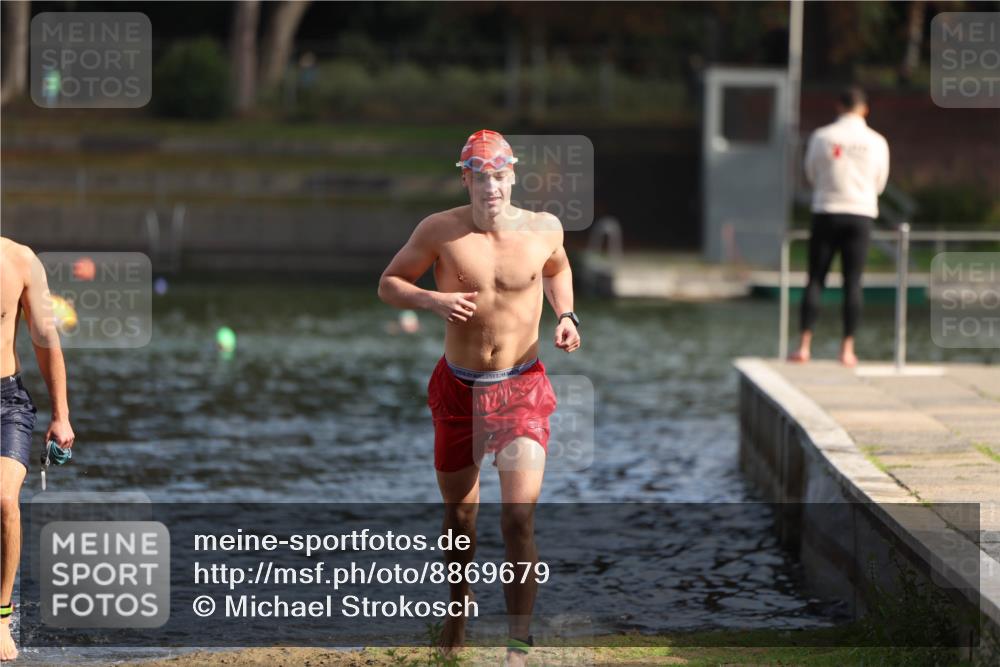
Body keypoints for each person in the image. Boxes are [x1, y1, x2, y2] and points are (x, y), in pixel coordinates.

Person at [378, 129, 580, 665]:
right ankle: (459, 610)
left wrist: (566, 315)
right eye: (479, 177)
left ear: (512, 176)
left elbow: (558, 269)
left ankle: (518, 644)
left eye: (498, 176)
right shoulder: (440, 230)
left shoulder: (543, 228)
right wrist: (432, 299)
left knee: (518, 517)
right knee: (460, 520)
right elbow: (389, 284)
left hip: (523, 387)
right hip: (458, 389)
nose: (490, 187)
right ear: (465, 178)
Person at [0, 237, 75, 661]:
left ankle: (0, 617)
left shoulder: (21, 260)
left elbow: (46, 338)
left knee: (5, 500)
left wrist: (60, 414)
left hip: (5, 402)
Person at [790, 86, 890, 367]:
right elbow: (880, 182)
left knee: (815, 280)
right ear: (865, 109)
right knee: (853, 283)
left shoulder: (822, 136)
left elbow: (810, 173)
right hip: (861, 214)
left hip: (827, 211)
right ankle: (847, 350)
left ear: (838, 106)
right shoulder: (877, 141)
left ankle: (804, 346)